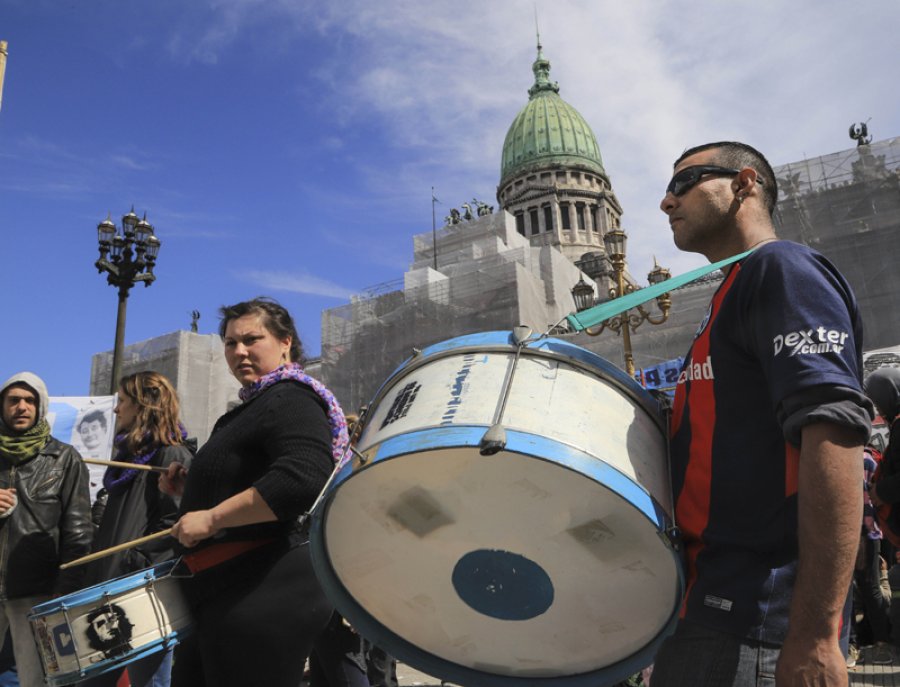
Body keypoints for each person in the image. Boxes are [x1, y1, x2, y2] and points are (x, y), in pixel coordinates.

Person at [653, 142, 872, 686]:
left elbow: (834, 436)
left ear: (743, 184)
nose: (666, 201)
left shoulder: (781, 269)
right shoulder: (731, 292)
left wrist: (816, 634)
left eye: (684, 183)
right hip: (713, 611)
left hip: (761, 626)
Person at [161, 297, 347, 687]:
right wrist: (190, 490)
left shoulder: (291, 397)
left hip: (263, 590)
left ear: (285, 342)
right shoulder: (255, 404)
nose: (239, 351)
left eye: (251, 339)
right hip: (226, 592)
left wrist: (212, 517)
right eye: (230, 343)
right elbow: (251, 481)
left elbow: (301, 479)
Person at [81, 371, 193, 687]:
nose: (116, 409)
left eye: (122, 401)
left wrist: (134, 564)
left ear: (143, 405)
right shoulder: (130, 457)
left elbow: (173, 524)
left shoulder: (172, 455)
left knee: (150, 682)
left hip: (142, 594)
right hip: (110, 590)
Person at [0, 372, 93, 687]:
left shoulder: (64, 458)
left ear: (41, 406)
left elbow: (78, 531)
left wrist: (65, 590)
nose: (22, 407)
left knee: (35, 679)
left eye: (30, 400)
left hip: (36, 591)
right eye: (14, 400)